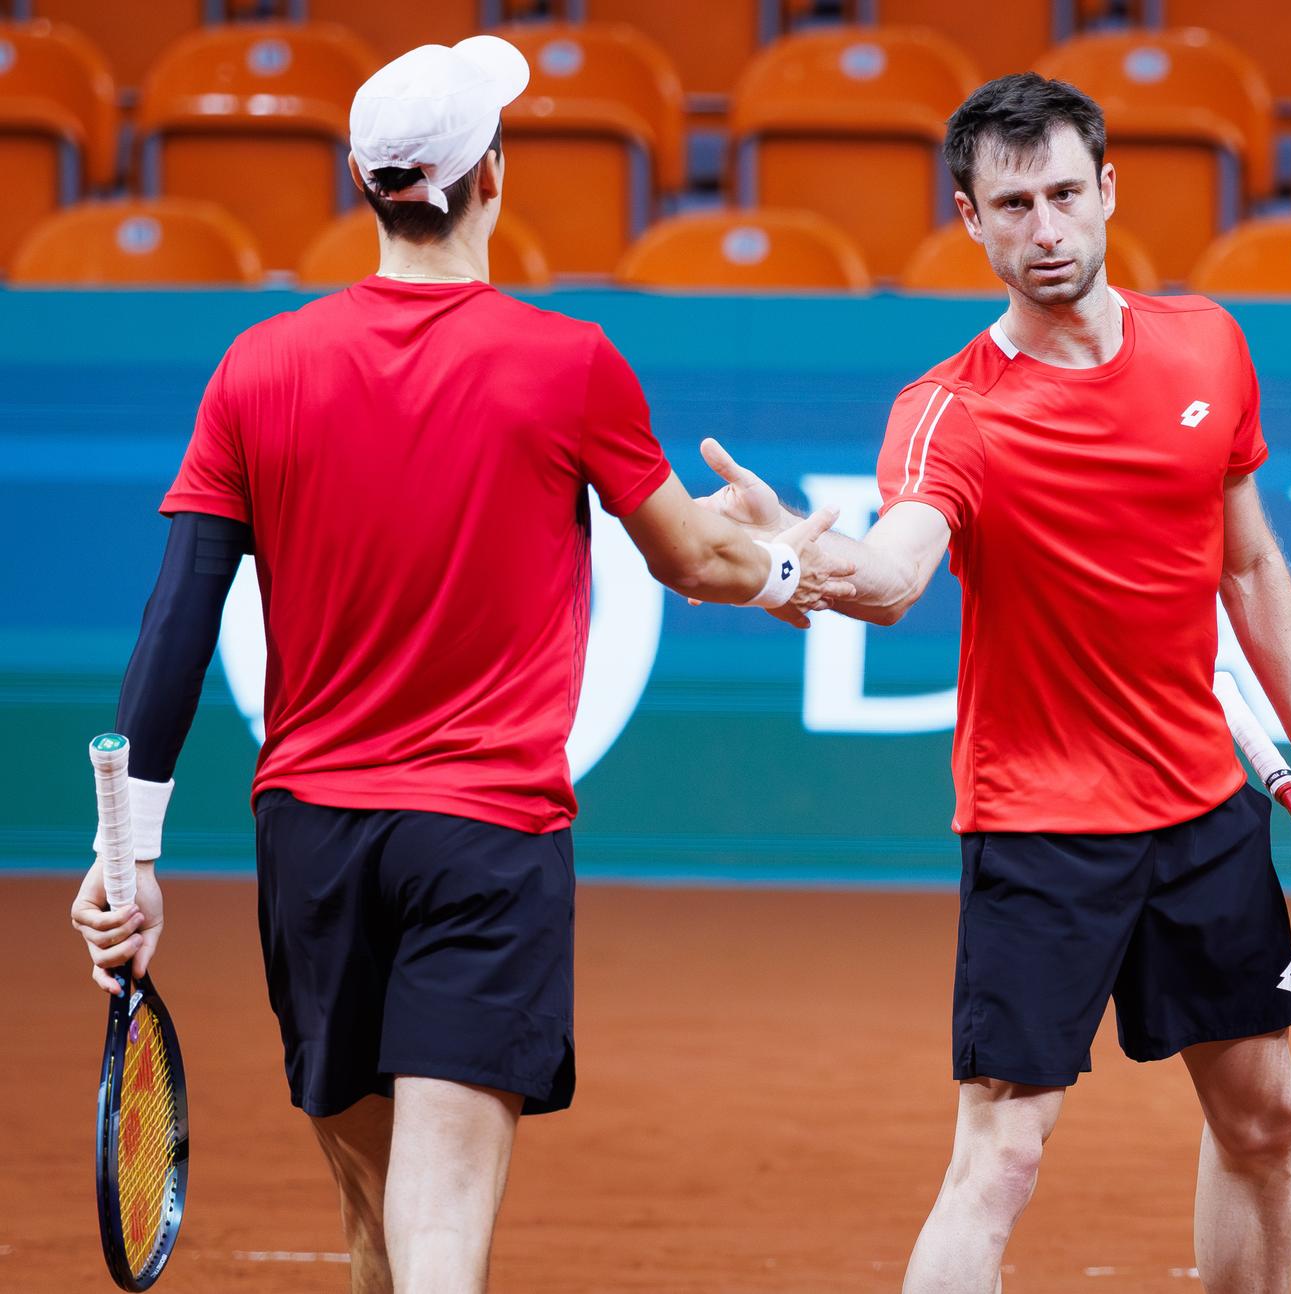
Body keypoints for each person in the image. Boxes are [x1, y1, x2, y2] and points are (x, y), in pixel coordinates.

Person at [67, 36, 850, 1294]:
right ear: (493, 174)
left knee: (374, 1225)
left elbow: (175, 617)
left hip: (314, 847)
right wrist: (785, 565)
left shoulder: (257, 367)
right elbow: (692, 559)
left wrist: (127, 856)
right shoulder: (568, 362)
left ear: (365, 186)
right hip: (485, 841)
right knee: (435, 1236)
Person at [694, 74, 1291, 1293]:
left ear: (1108, 189)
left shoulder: (1208, 344)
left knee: (1266, 1117)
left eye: (1064, 194)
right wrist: (791, 557)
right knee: (1000, 1157)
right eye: (1014, 205)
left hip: (1201, 811)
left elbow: (1250, 563)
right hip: (1041, 825)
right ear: (971, 218)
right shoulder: (952, 412)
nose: (1046, 229)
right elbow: (894, 575)